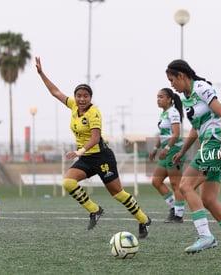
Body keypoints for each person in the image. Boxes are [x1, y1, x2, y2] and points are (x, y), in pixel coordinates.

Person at [35, 57, 151, 238]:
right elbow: (55, 92)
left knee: (118, 194)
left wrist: (79, 152)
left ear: (90, 98)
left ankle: (143, 220)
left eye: (85, 96)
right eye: (78, 96)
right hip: (86, 158)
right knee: (67, 182)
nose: (81, 99)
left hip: (102, 157)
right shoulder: (73, 106)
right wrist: (42, 73)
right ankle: (95, 210)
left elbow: (96, 138)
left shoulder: (93, 113)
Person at [166, 59, 221, 259]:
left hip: (215, 144)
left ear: (181, 75)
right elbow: (197, 129)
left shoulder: (201, 88)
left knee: (185, 186)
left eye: (172, 80)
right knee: (208, 199)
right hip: (208, 144)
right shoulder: (187, 98)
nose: (172, 85)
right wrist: (183, 151)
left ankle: (205, 235)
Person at [149, 88, 186, 223]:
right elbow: (163, 134)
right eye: (157, 97)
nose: (158, 99)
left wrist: (167, 148)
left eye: (161, 97)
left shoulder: (173, 112)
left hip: (174, 150)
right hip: (166, 150)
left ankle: (178, 215)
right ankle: (173, 207)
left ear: (170, 99)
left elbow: (176, 134)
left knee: (176, 184)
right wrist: (155, 148)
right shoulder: (164, 113)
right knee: (156, 181)